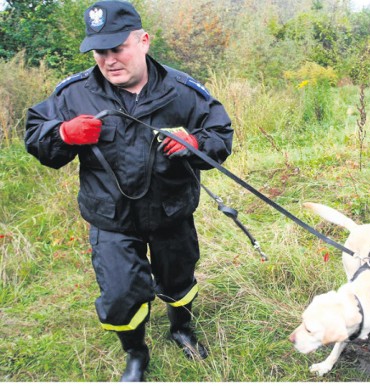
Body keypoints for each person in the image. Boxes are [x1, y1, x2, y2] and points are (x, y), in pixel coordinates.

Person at [24, 1, 234, 381]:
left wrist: (197, 143)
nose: (108, 60)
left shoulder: (183, 91)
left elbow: (221, 134)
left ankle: (181, 329)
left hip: (171, 211)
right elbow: (37, 136)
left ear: (143, 41)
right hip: (110, 217)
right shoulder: (74, 94)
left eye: (117, 48)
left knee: (178, 279)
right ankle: (136, 354)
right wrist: (62, 134)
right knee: (120, 294)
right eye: (99, 51)